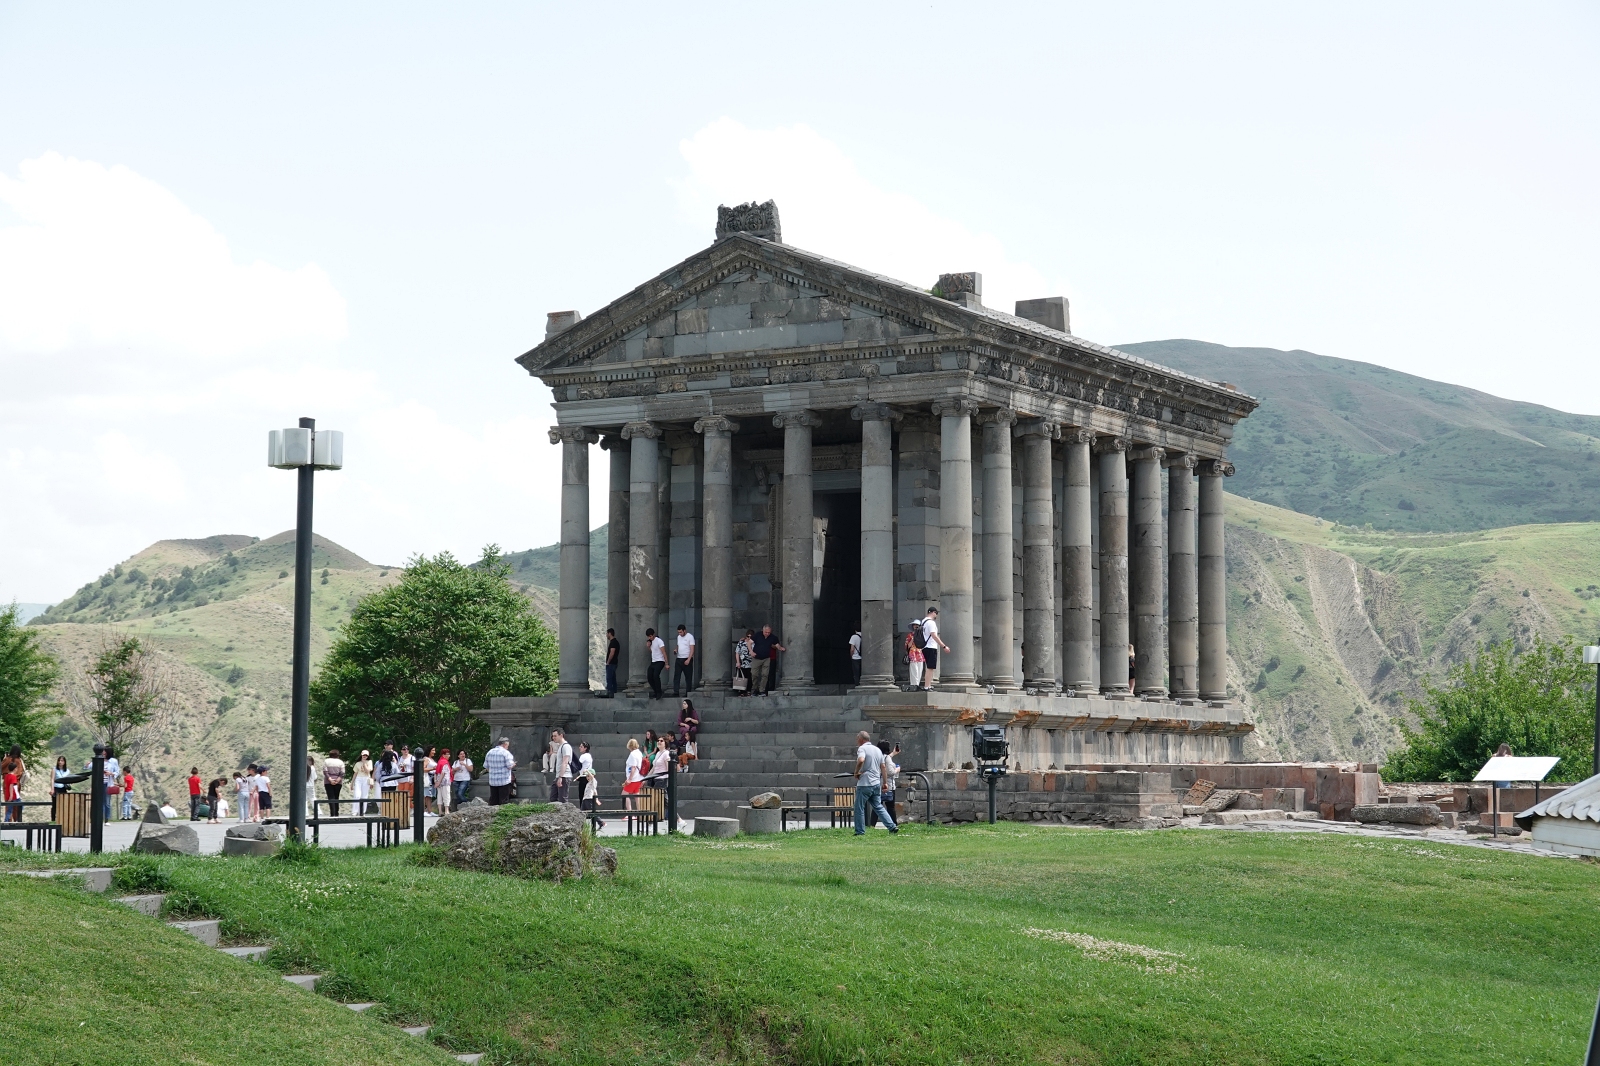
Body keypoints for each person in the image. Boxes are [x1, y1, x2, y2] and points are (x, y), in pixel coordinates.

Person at [852, 731, 898, 835]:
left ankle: (860, 831)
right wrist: (885, 783)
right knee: (878, 806)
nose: (857, 741)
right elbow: (883, 767)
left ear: (861, 739)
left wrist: (856, 772)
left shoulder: (862, 748)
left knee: (859, 807)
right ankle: (892, 826)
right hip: (876, 783)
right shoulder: (877, 750)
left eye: (857, 739)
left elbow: (861, 760)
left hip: (865, 783)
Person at [751, 625, 785, 696]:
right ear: (763, 631)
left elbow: (777, 645)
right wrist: (751, 651)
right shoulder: (757, 635)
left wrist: (780, 648)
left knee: (765, 675)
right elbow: (749, 642)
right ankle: (755, 689)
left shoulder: (773, 637)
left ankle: (762, 690)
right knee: (754, 674)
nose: (767, 634)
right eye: (766, 632)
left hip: (766, 658)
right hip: (756, 658)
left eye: (769, 632)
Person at [920, 608, 950, 687]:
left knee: (929, 667)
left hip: (924, 646)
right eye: (936, 613)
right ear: (933, 612)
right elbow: (934, 635)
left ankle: (928, 685)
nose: (936, 615)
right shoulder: (931, 622)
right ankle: (927, 686)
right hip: (931, 646)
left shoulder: (923, 622)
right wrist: (944, 646)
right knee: (930, 668)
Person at [484, 737, 516, 806]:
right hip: (504, 780)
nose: (507, 747)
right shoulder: (506, 753)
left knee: (493, 801)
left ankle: (493, 812)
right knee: (503, 801)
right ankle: (502, 812)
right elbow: (509, 766)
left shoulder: (490, 752)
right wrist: (513, 764)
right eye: (507, 746)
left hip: (493, 781)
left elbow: (486, 767)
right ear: (505, 744)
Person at [549, 730, 573, 804]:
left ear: (561, 735)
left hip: (564, 776)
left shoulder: (566, 746)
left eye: (555, 736)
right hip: (559, 775)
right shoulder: (561, 746)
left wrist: (560, 777)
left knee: (563, 799)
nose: (553, 738)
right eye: (553, 736)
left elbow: (565, 762)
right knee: (553, 798)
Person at [672, 624, 696, 696]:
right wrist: (676, 650)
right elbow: (678, 645)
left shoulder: (690, 637)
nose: (680, 634)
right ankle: (676, 691)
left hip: (686, 658)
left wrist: (689, 659)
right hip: (679, 658)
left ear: (684, 631)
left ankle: (688, 692)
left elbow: (692, 649)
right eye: (678, 632)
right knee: (677, 676)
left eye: (681, 632)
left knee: (688, 677)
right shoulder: (678, 637)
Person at [882, 743, 902, 823]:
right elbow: (890, 772)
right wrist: (897, 769)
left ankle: (871, 824)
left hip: (878, 783)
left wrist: (893, 753)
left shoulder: (880, 756)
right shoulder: (887, 758)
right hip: (888, 784)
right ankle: (894, 824)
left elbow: (886, 758)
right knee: (890, 807)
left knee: (877, 806)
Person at [677, 699, 700, 770]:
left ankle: (685, 766)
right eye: (683, 703)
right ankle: (681, 767)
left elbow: (697, 722)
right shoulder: (681, 712)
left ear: (688, 705)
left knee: (693, 730)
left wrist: (690, 719)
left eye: (685, 704)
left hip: (692, 726)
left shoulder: (693, 712)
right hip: (684, 727)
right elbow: (679, 722)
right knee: (685, 731)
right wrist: (684, 724)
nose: (683, 705)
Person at [622, 738, 644, 810]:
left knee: (624, 794)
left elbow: (633, 767)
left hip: (633, 778)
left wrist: (630, 779)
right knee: (636, 795)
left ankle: (629, 812)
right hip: (639, 778)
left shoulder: (632, 754)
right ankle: (639, 811)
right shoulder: (639, 753)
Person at [645, 628, 667, 699]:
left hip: (660, 661)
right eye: (648, 636)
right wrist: (648, 647)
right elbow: (652, 651)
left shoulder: (659, 641)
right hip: (653, 661)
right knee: (649, 677)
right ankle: (656, 691)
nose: (650, 638)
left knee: (656, 675)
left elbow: (664, 652)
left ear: (653, 634)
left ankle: (659, 692)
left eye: (650, 636)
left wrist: (666, 663)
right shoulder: (650, 642)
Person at [323, 750, 346, 816]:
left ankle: (332, 813)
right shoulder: (340, 762)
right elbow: (342, 773)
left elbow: (325, 772)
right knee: (336, 796)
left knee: (331, 797)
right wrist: (338, 780)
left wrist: (330, 779)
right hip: (338, 782)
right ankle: (336, 812)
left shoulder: (326, 761)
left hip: (328, 782)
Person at [352, 749, 375, 813]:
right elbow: (355, 773)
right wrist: (352, 783)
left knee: (364, 796)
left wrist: (364, 763)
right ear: (361, 755)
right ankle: (354, 811)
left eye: (366, 755)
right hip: (359, 778)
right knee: (357, 795)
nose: (365, 756)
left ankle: (362, 811)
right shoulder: (357, 763)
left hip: (366, 778)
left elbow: (368, 771)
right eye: (364, 755)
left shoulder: (369, 762)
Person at [735, 630, 755, 696]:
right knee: (741, 677)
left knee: (750, 677)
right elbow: (737, 652)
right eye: (748, 636)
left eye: (750, 637)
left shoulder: (754, 643)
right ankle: (741, 691)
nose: (749, 638)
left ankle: (748, 690)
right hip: (742, 662)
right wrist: (738, 662)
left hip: (751, 663)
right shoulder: (741, 642)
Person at [434, 748, 453, 816]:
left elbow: (436, 772)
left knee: (439, 796)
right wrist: (439, 782)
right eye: (447, 754)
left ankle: (440, 811)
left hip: (438, 781)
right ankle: (446, 810)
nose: (449, 756)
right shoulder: (445, 762)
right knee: (446, 795)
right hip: (445, 781)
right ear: (443, 755)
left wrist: (436, 782)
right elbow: (443, 772)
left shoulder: (439, 761)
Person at [604, 628, 621, 697]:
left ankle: (610, 692)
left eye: (607, 633)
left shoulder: (613, 642)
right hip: (613, 663)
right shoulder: (615, 642)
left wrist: (608, 662)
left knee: (609, 678)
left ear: (610, 633)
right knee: (613, 678)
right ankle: (614, 692)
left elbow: (612, 653)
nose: (606, 635)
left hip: (611, 663)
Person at [52, 755, 70, 821]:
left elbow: (68, 780)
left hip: (63, 788)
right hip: (56, 787)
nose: (60, 762)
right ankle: (53, 819)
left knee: (63, 804)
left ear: (64, 762)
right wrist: (52, 789)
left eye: (62, 761)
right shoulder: (54, 769)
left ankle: (62, 819)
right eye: (59, 760)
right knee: (55, 804)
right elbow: (52, 779)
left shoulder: (67, 771)